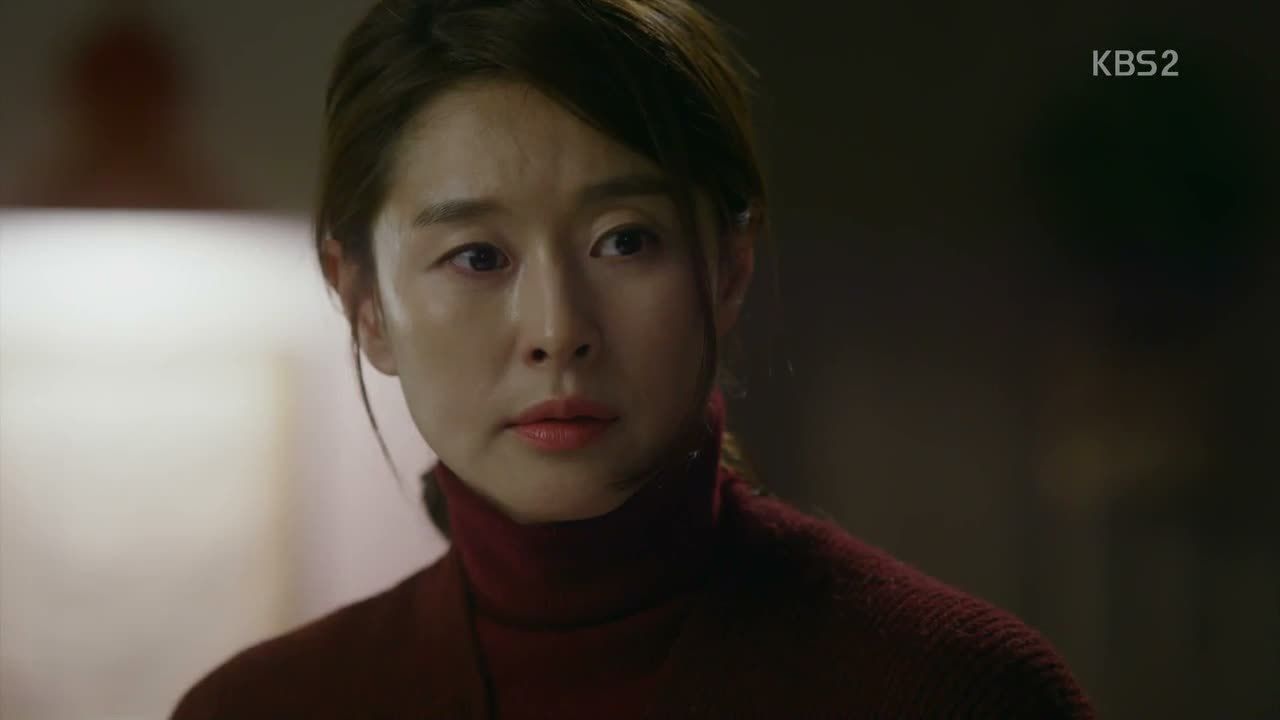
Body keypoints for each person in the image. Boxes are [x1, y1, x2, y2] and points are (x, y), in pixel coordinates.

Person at [171, 0, 1094, 717]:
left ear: (729, 268)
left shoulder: (955, 692)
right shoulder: (261, 709)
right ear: (364, 302)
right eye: (478, 257)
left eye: (624, 241)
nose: (557, 328)